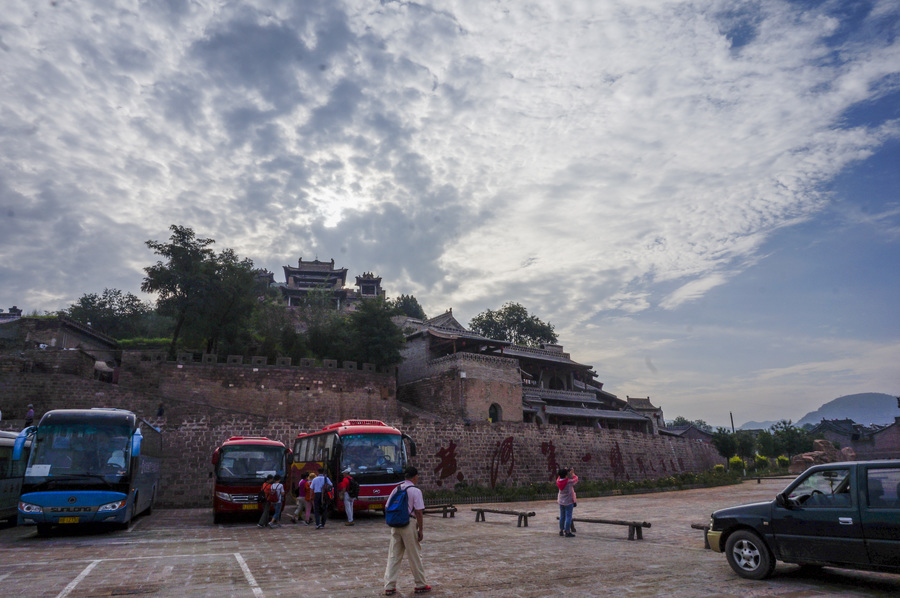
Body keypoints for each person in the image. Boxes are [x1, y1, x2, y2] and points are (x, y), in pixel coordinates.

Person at [383, 466, 430, 596]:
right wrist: (420, 529)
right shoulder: (415, 491)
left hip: (395, 524)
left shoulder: (396, 489)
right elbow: (419, 512)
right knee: (414, 555)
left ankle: (389, 585)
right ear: (415, 477)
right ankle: (420, 584)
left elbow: (387, 506)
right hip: (409, 524)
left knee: (394, 555)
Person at [557, 467, 578, 538]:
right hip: (568, 502)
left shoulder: (558, 481)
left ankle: (561, 530)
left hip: (561, 501)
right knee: (568, 517)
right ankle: (567, 531)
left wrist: (564, 471)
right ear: (566, 475)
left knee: (562, 516)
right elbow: (576, 479)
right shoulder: (569, 482)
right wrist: (572, 473)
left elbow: (559, 477)